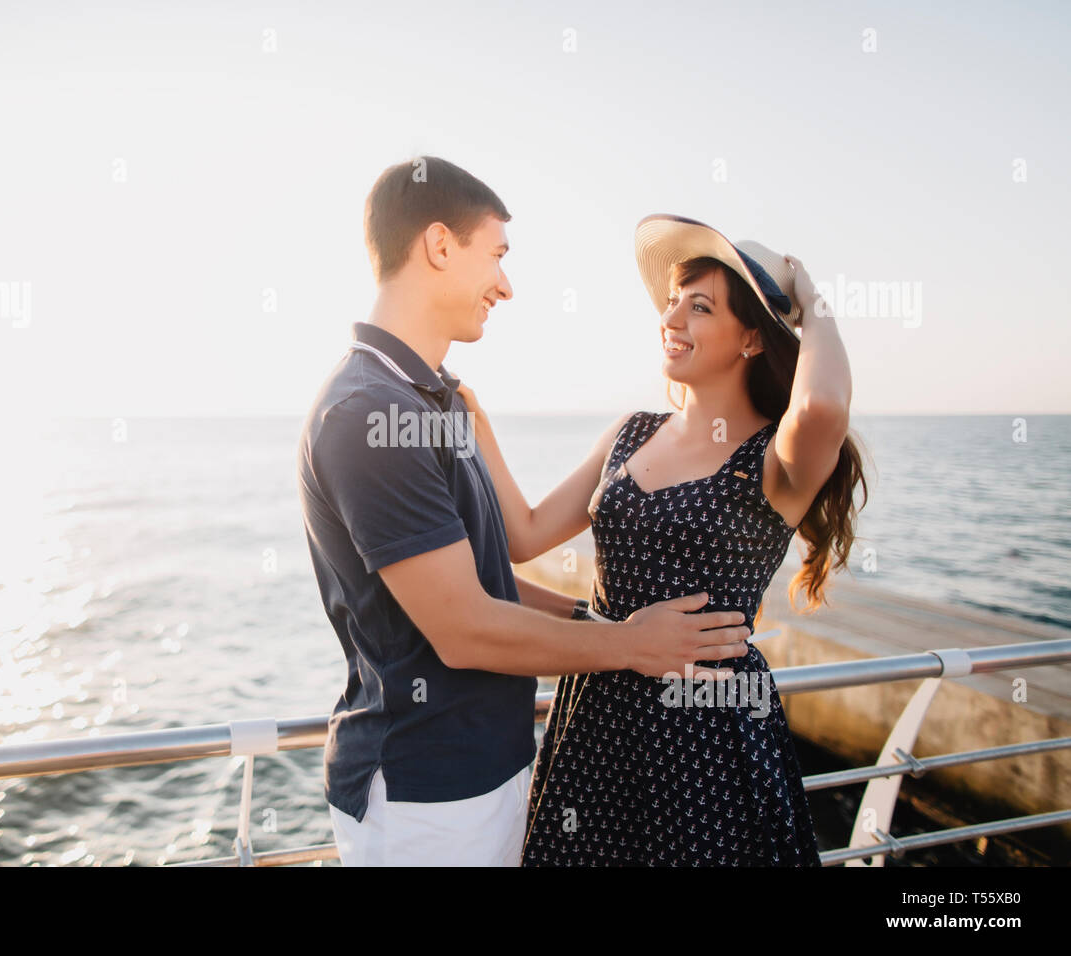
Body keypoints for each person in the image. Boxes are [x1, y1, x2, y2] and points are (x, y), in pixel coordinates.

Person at [297, 165, 755, 866]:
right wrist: (633, 645)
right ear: (440, 245)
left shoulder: (435, 399)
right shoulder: (369, 410)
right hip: (429, 795)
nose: (505, 285)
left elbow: (485, 580)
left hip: (494, 766)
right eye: (498, 255)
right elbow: (464, 630)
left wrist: (591, 623)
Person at [460, 214, 866, 866]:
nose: (671, 317)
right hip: (598, 712)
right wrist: (475, 423)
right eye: (673, 300)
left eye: (699, 306)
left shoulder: (775, 458)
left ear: (753, 340)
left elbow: (822, 406)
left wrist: (810, 297)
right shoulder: (632, 432)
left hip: (706, 733)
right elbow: (523, 532)